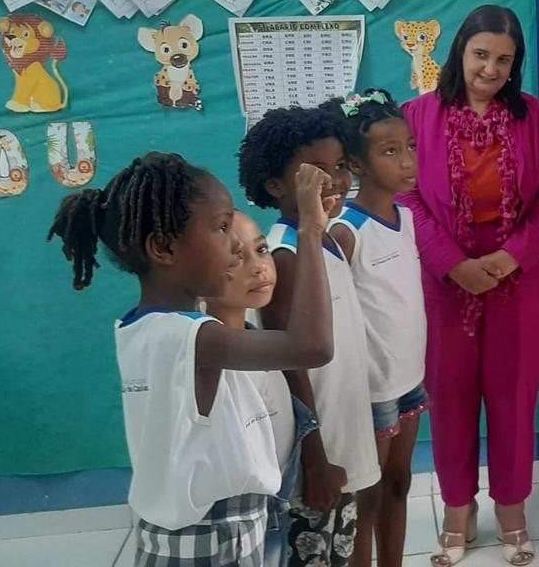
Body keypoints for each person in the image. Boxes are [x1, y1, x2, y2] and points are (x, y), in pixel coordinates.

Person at [47, 152, 335, 566]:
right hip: (212, 538)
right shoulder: (192, 337)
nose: (236, 246)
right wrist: (309, 230)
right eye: (222, 228)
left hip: (198, 533)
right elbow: (312, 346)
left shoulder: (147, 329)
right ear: (163, 247)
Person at [398, 5, 539, 566]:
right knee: (448, 396)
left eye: (503, 59)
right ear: (459, 51)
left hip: (519, 279)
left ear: (515, 64)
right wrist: (452, 263)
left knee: (515, 395)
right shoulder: (416, 116)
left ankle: (512, 510)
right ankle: (457, 509)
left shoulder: (535, 116)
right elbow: (405, 196)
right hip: (443, 282)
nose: (490, 69)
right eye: (480, 55)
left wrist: (510, 257)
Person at [240, 107, 381, 567]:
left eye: (339, 166)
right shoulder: (285, 254)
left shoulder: (327, 240)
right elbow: (290, 364)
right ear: (276, 185)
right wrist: (314, 457)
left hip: (344, 436)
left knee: (342, 550)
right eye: (315, 172)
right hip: (317, 451)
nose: (335, 180)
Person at [324, 90, 430, 567]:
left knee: (399, 483)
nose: (407, 161)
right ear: (357, 164)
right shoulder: (347, 232)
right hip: (371, 390)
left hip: (409, 378)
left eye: (410, 146)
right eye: (390, 152)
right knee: (365, 498)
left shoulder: (405, 217)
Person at [204, 211, 318, 567]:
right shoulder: (207, 364)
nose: (259, 268)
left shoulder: (263, 347)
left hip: (276, 516)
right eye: (238, 257)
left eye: (262, 249)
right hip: (239, 532)